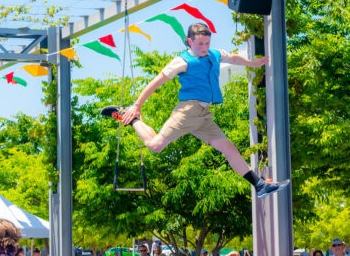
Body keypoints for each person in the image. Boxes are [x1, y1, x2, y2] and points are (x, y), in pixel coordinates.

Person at [119, 22, 289, 199]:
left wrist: (252, 64)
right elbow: (156, 82)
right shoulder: (182, 60)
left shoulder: (214, 54)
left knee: (229, 148)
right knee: (155, 146)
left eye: (207, 43)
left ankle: (259, 185)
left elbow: (231, 57)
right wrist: (137, 105)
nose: (204, 47)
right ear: (189, 41)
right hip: (187, 112)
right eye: (200, 44)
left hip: (203, 115)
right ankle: (130, 118)